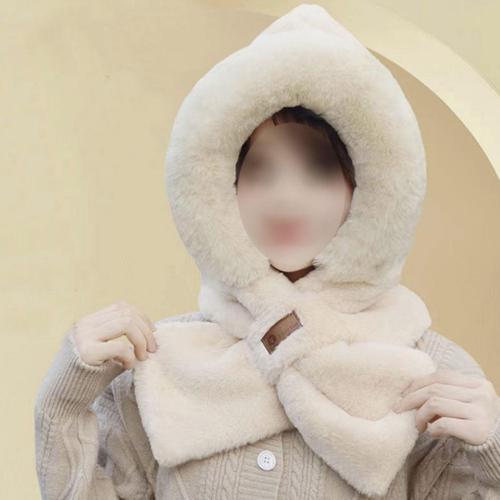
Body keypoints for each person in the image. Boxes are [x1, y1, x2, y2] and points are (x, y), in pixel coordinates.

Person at [34, 4, 500, 499]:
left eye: (319, 168)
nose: (285, 199)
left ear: (364, 190)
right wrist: (61, 406)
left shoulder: (433, 374)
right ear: (222, 190)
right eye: (258, 170)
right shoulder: (160, 365)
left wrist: (494, 454)